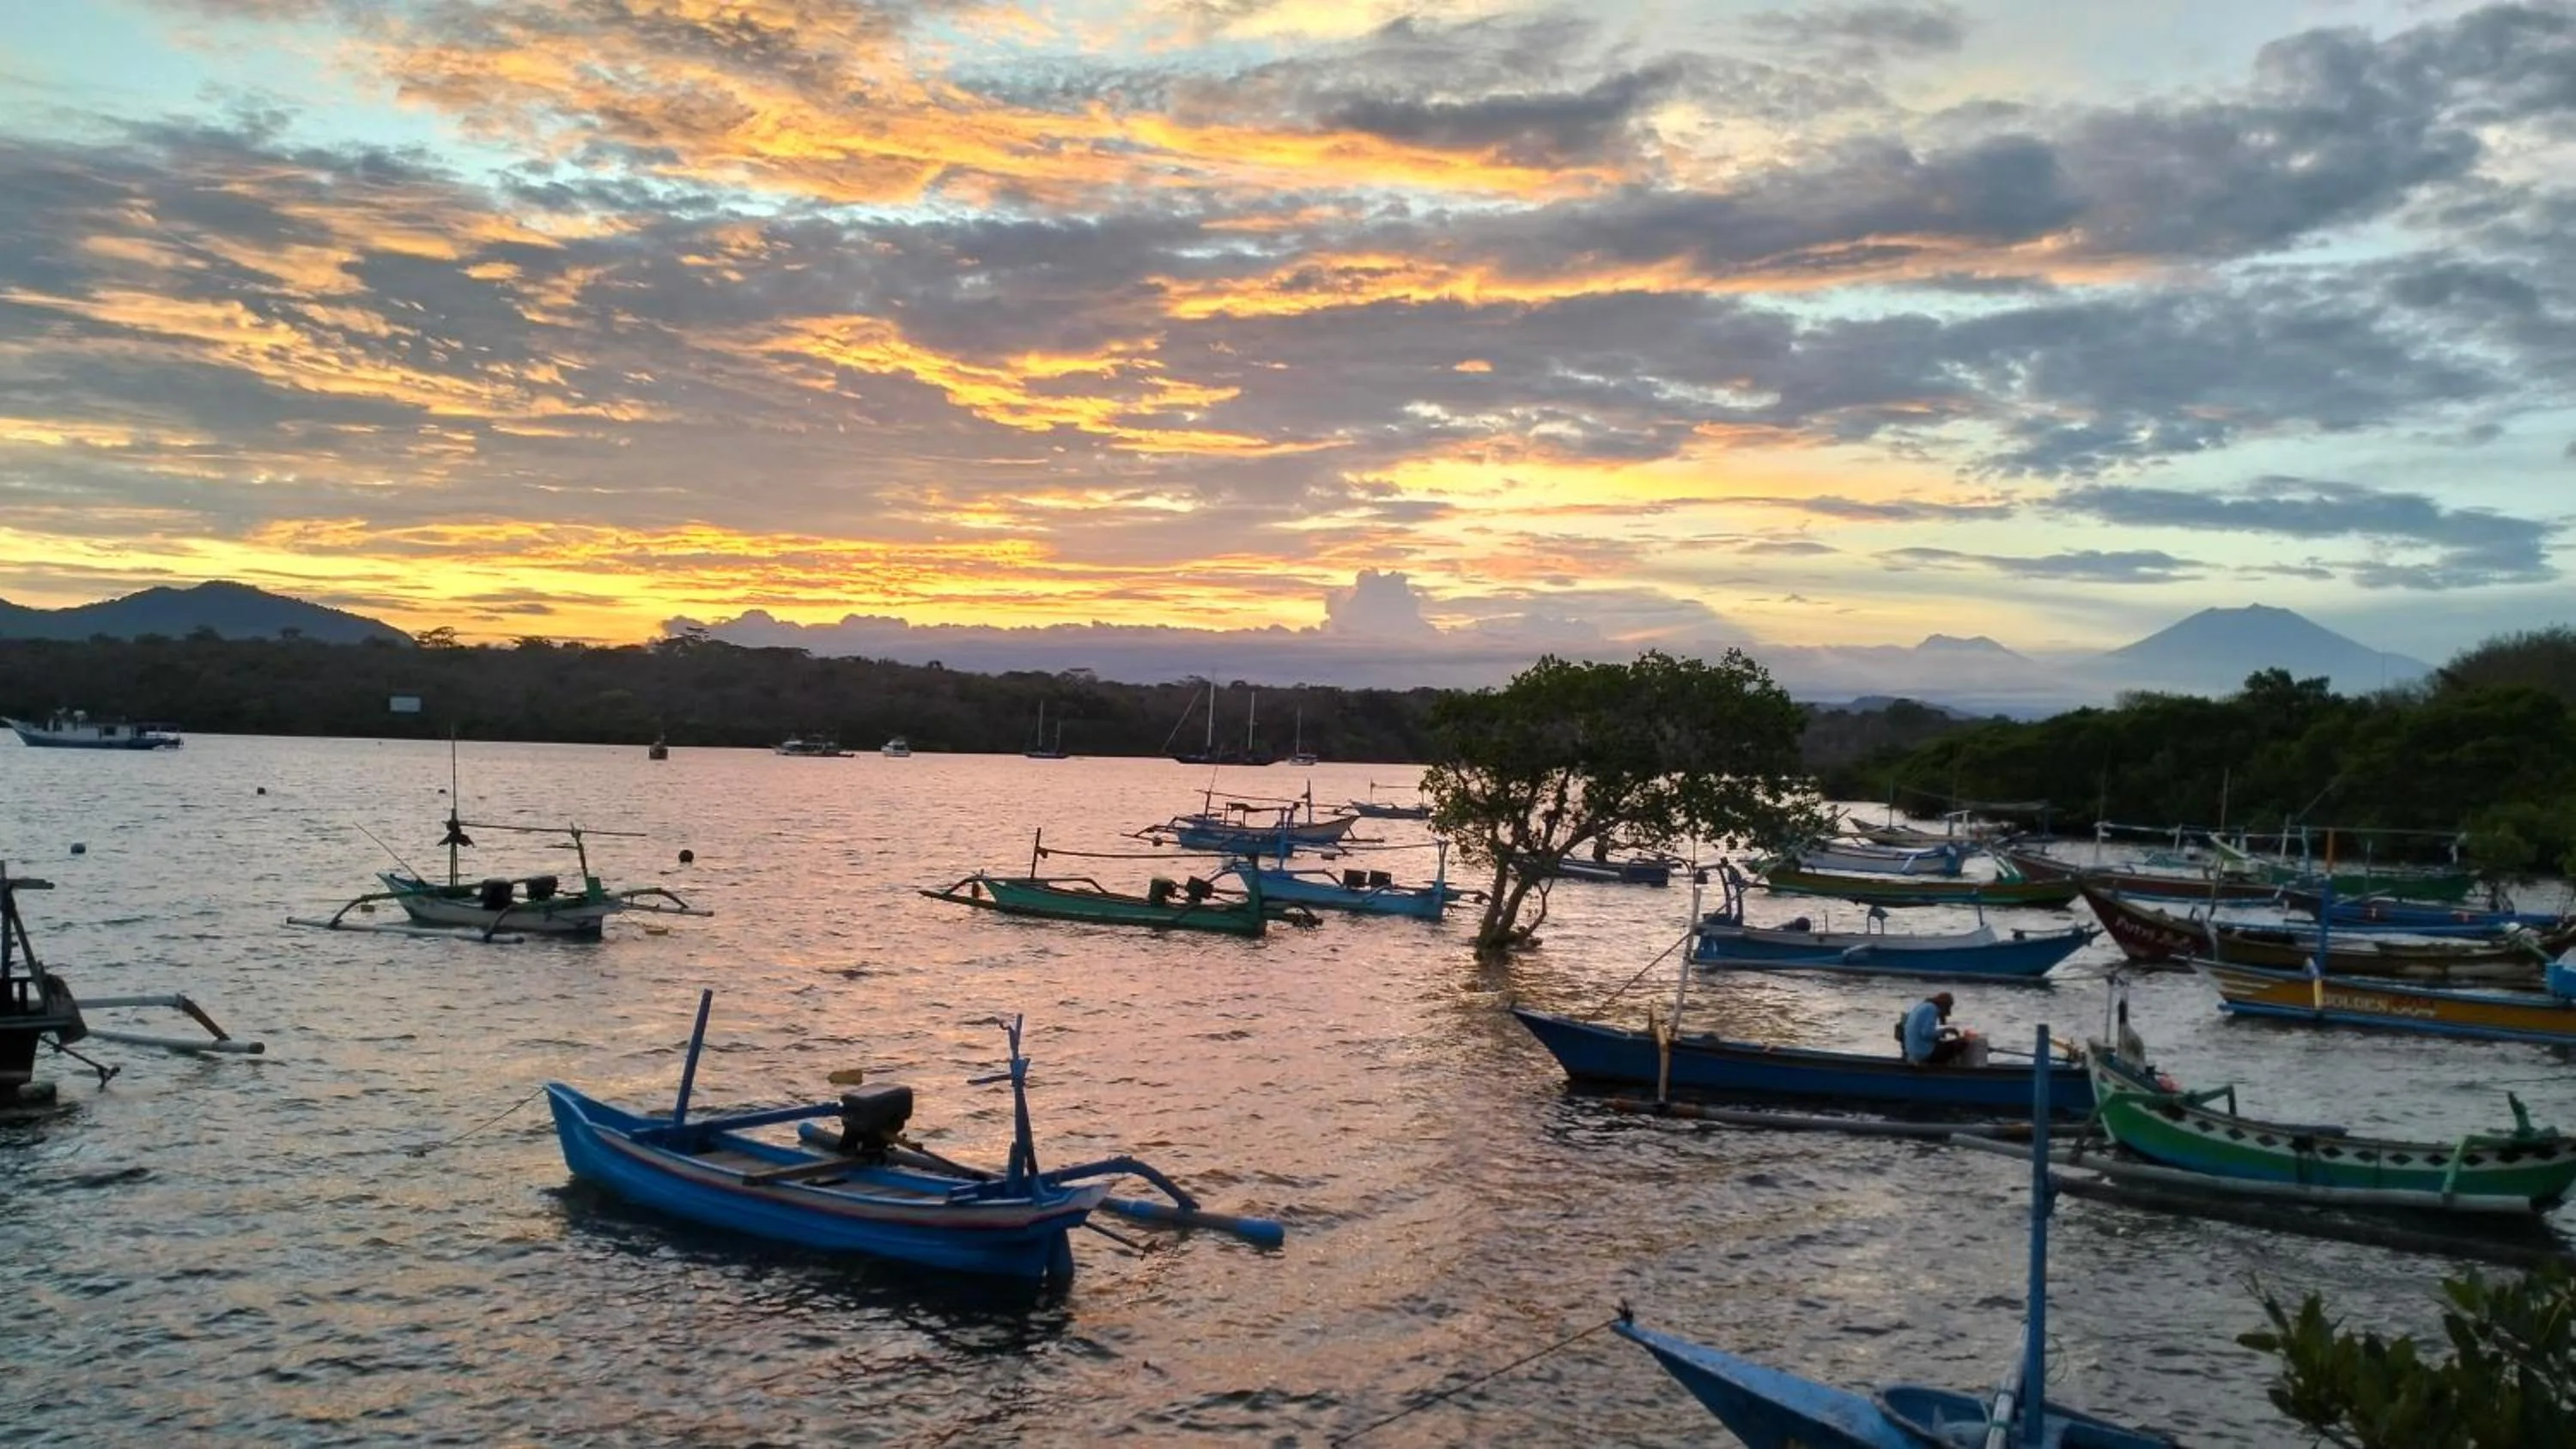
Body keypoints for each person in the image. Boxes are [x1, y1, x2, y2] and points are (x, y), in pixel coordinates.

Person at [1899, 991, 1971, 1066]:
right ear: (1944, 1005)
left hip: (1913, 1052)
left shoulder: (1923, 1006)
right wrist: (1944, 1031)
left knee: (1943, 1045)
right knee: (1961, 1043)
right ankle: (1949, 1068)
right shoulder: (1932, 1009)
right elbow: (1927, 1033)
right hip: (1923, 1052)